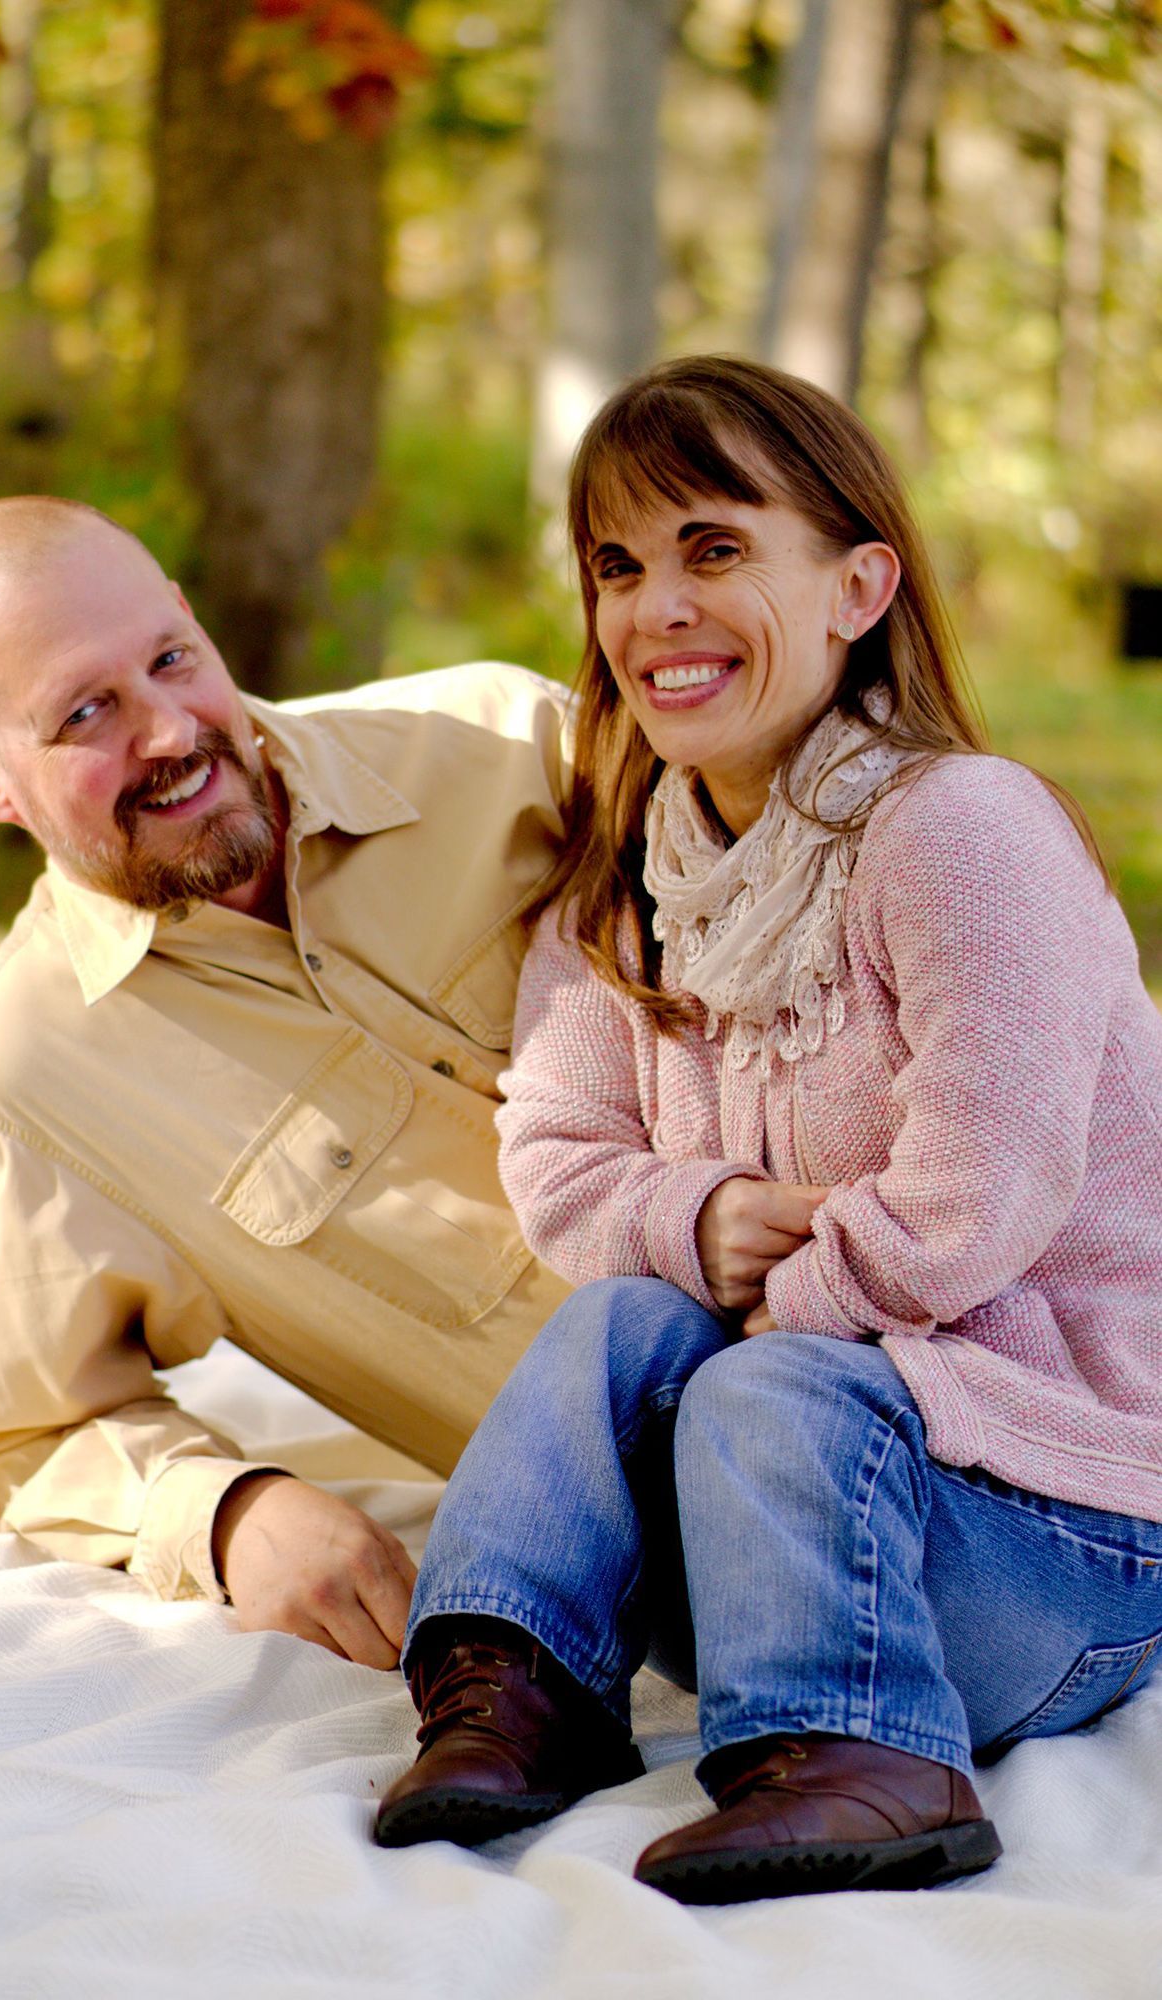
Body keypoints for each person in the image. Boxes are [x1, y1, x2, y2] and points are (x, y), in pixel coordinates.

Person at [373, 356, 1162, 1904]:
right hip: (783, 1535)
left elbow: (970, 1203)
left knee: (769, 1387)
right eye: (618, 566)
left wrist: (771, 1328)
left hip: (1066, 1532)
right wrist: (695, 1220)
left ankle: (865, 1756)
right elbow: (558, 1159)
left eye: (713, 549)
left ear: (859, 585)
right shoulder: (630, 886)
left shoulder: (961, 832)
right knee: (618, 1321)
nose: (654, 606)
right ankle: (517, 1688)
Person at [0, 495, 573, 1667]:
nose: (166, 731)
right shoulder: (21, 1082)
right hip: (719, 1515)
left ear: (193, 620)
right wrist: (231, 1514)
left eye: (171, 660)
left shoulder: (505, 740)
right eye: (85, 712)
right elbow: (29, 1431)